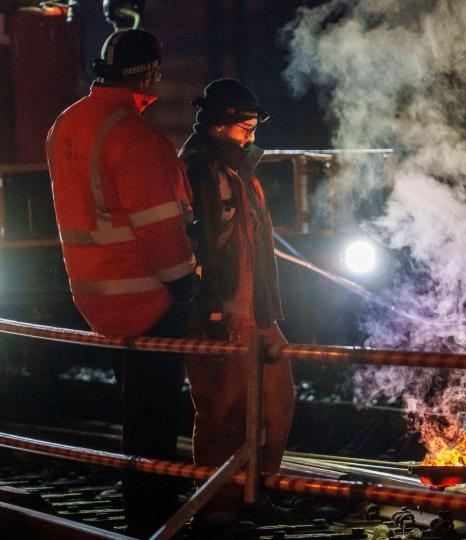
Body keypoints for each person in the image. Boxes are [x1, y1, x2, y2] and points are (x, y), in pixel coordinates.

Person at [46, 29, 197, 536]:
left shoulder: (65, 126)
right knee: (155, 422)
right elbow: (161, 234)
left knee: (136, 412)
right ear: (150, 74)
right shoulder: (135, 136)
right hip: (148, 297)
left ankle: (145, 508)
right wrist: (189, 288)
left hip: (96, 297)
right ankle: (155, 516)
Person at [178, 79, 295, 532]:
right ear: (221, 124)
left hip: (256, 313)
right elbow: (198, 246)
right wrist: (211, 311)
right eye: (245, 126)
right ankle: (216, 507)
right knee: (221, 411)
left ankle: (256, 492)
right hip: (222, 316)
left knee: (276, 401)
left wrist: (262, 312)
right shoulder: (199, 171)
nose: (251, 134)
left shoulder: (236, 172)